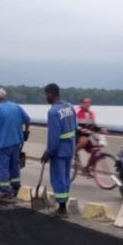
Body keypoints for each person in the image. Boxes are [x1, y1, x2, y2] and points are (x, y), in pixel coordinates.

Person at [0, 88, 31, 198]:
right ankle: (16, 186)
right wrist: (25, 132)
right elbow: (28, 119)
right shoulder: (16, 107)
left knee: (3, 167)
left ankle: (6, 190)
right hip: (17, 142)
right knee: (15, 164)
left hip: (3, 142)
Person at [41, 83, 77, 216]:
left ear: (51, 93)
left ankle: (62, 207)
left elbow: (54, 136)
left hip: (59, 151)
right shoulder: (69, 107)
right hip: (70, 148)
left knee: (58, 178)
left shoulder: (53, 112)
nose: (45, 97)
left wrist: (48, 152)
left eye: (46, 94)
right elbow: (74, 127)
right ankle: (64, 203)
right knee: (66, 177)